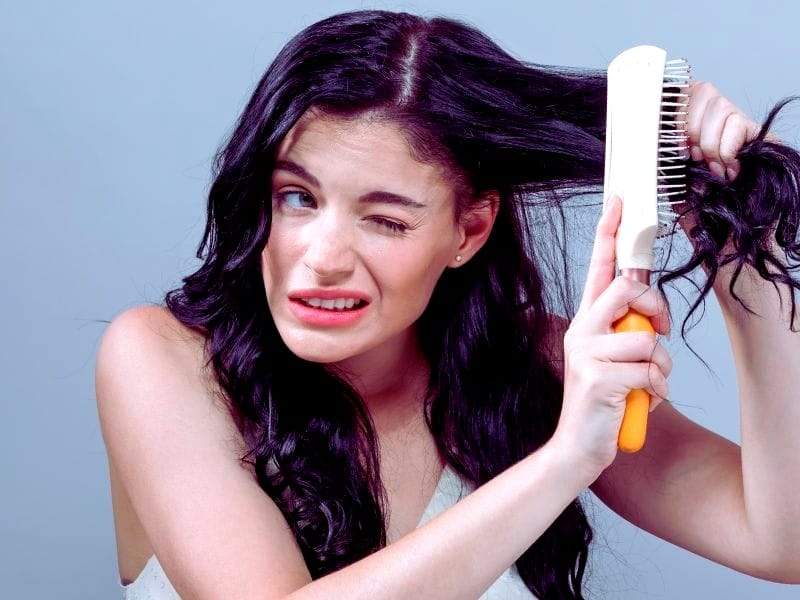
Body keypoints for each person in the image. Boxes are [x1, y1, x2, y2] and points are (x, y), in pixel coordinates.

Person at [95, 9, 800, 599]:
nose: (322, 257)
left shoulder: (543, 369)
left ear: (469, 230)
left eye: (385, 219)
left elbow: (782, 542)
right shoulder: (164, 361)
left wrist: (744, 257)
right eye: (298, 198)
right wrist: (566, 459)